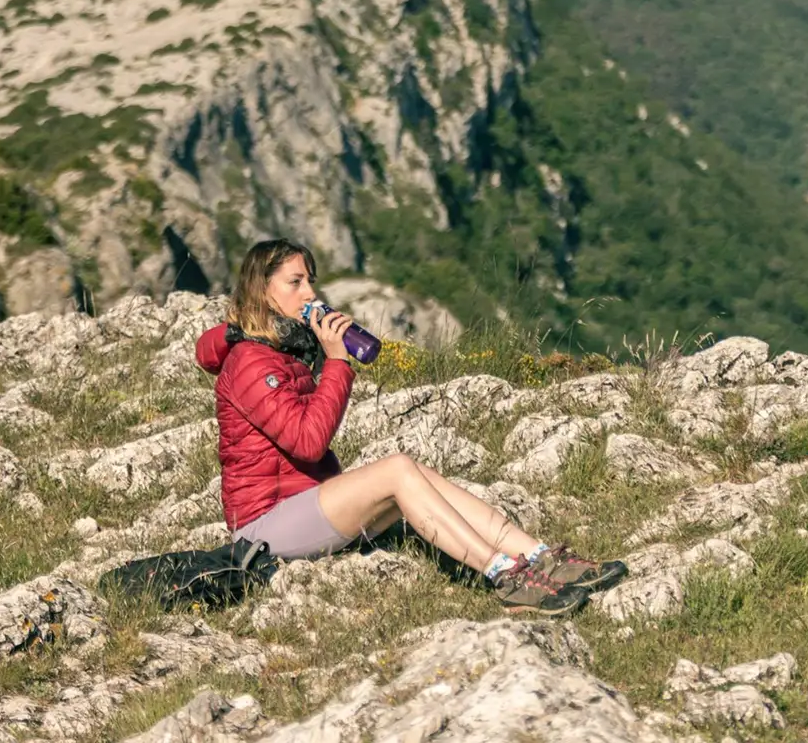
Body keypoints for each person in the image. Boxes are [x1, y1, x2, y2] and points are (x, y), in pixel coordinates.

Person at [194, 238, 625, 616]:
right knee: (397, 470)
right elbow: (308, 443)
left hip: (307, 507)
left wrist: (328, 359)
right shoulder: (250, 361)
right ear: (262, 291)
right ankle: (505, 576)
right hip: (263, 530)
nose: (311, 293)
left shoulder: (283, 353)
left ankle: (540, 557)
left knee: (417, 475)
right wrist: (338, 362)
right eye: (295, 282)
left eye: (310, 280)